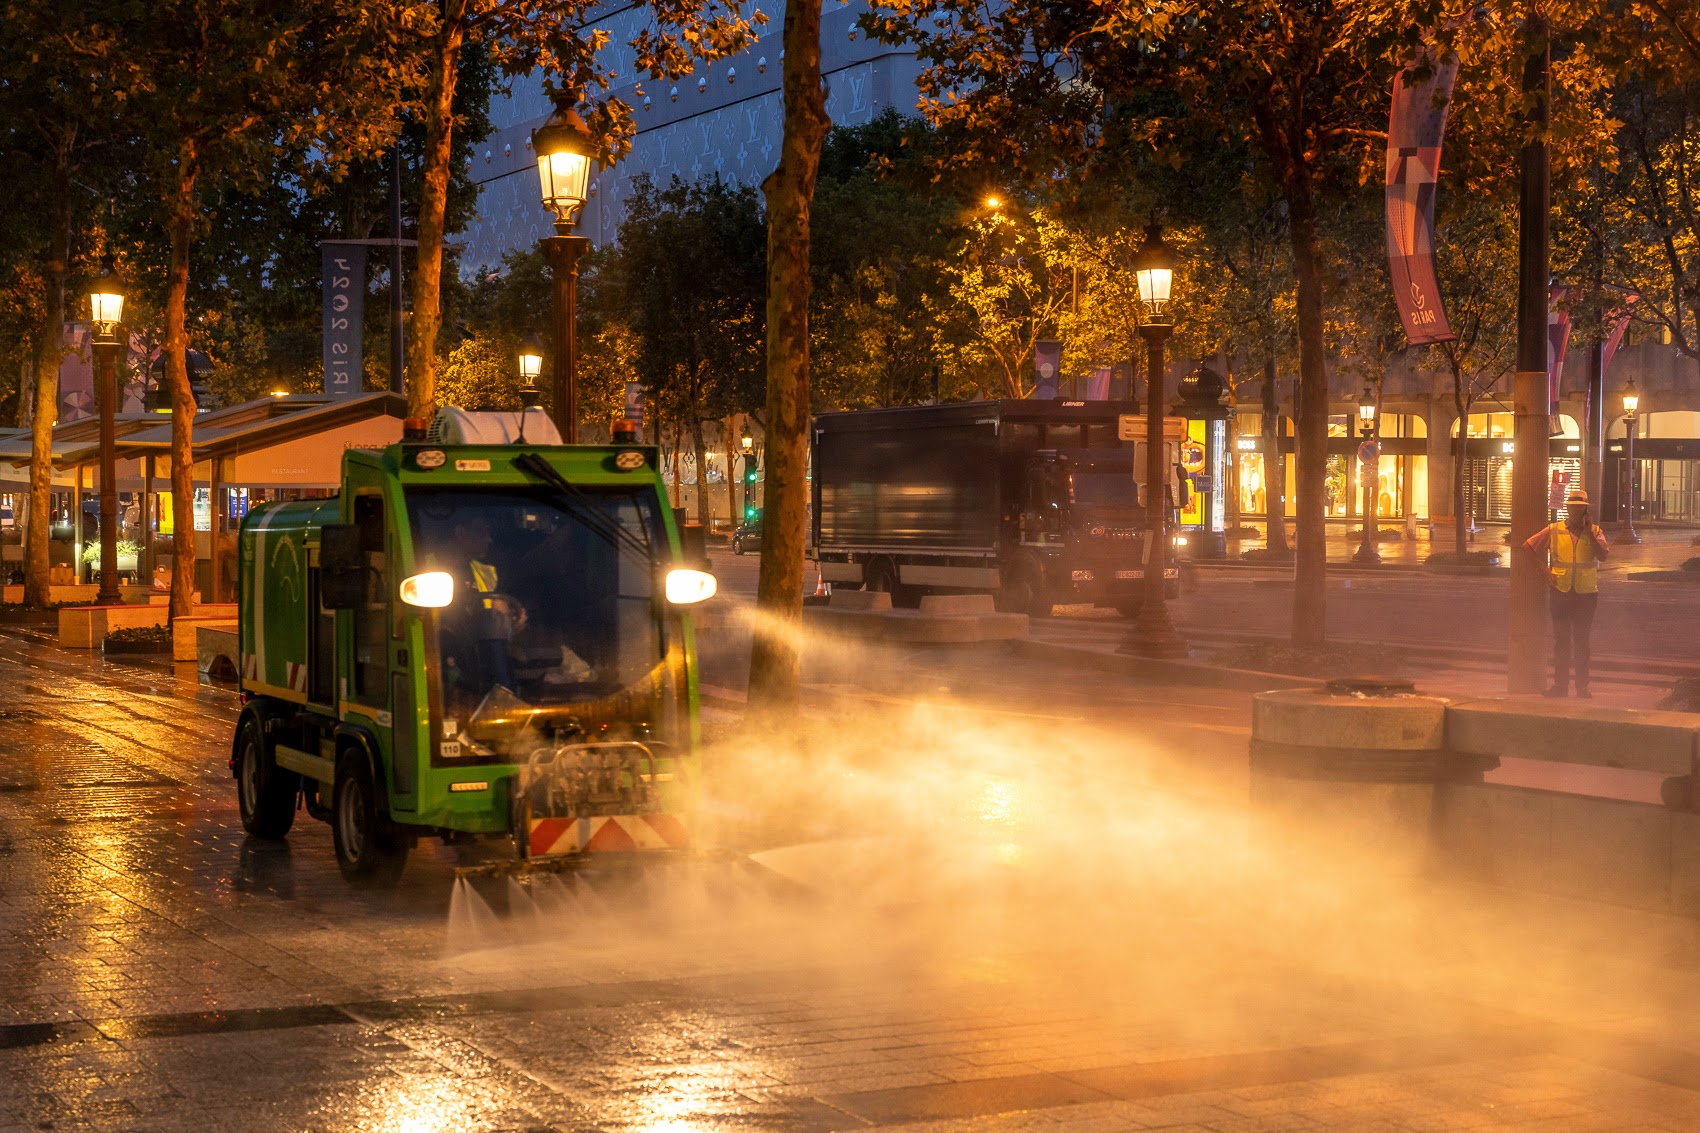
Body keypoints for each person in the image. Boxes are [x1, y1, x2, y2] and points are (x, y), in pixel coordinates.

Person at [1521, 488, 1611, 698]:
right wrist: (1545, 571)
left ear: (1585, 510)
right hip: (1561, 592)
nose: (1575, 512)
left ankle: (1582, 687)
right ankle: (1560, 686)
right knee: (1561, 641)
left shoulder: (1595, 531)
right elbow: (1527, 547)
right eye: (1572, 508)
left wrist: (1589, 533)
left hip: (1586, 594)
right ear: (1567, 509)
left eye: (1580, 508)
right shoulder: (1554, 529)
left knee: (1582, 642)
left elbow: (1603, 556)